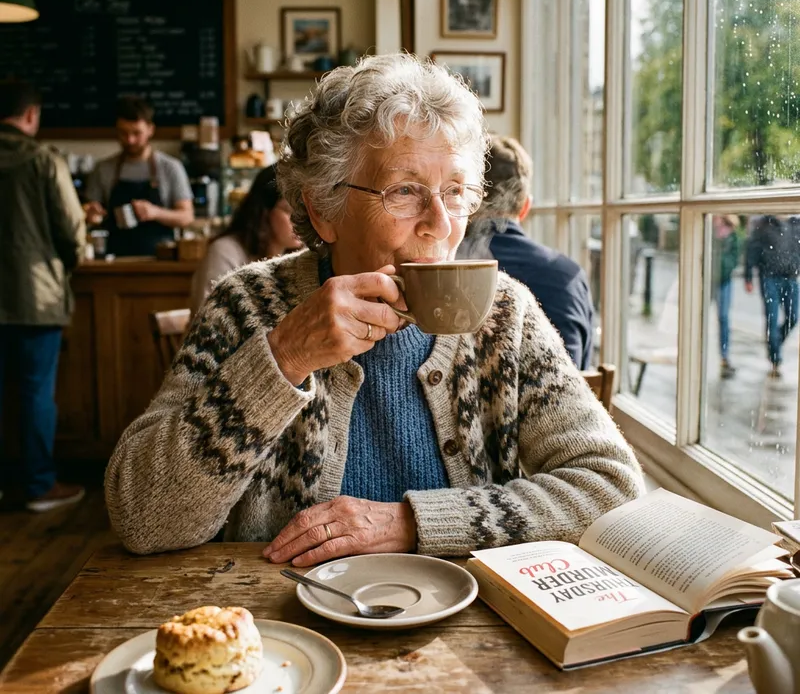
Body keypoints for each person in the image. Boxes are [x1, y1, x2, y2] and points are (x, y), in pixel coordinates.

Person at [105, 53, 643, 561]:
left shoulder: (504, 316)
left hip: (462, 640)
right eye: (405, 191)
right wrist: (283, 357)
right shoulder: (248, 307)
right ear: (323, 211)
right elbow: (142, 518)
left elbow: (611, 486)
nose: (440, 222)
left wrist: (413, 524)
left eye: (455, 190)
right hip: (285, 630)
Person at [0, 80, 86, 511]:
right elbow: (73, 232)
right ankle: (38, 484)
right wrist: (66, 265)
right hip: (34, 298)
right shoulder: (43, 160)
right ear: (31, 114)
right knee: (35, 393)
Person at [458, 135, 594, 369]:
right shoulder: (569, 276)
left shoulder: (447, 271)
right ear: (525, 207)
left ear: (467, 201)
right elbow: (583, 378)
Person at [84, 97, 194, 257]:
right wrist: (91, 215)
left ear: (150, 129)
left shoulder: (170, 167)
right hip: (114, 260)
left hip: (159, 261)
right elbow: (88, 214)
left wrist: (155, 212)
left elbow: (187, 217)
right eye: (123, 133)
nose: (130, 140)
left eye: (137, 133)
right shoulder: (103, 169)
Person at [190, 165, 302, 313]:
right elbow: (208, 322)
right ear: (263, 212)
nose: (300, 220)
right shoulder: (224, 252)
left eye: (304, 211)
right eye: (289, 211)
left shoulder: (298, 258)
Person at [744, 214, 800, 378]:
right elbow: (752, 250)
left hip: (791, 278)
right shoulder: (763, 225)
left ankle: (774, 343)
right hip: (769, 278)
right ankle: (775, 358)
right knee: (772, 317)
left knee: (794, 317)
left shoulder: (796, 225)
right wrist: (748, 276)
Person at [712, 215, 740, 380]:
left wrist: (724, 268)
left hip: (724, 281)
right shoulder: (709, 229)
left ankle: (724, 355)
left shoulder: (731, 234)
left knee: (723, 317)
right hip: (708, 279)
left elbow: (734, 257)